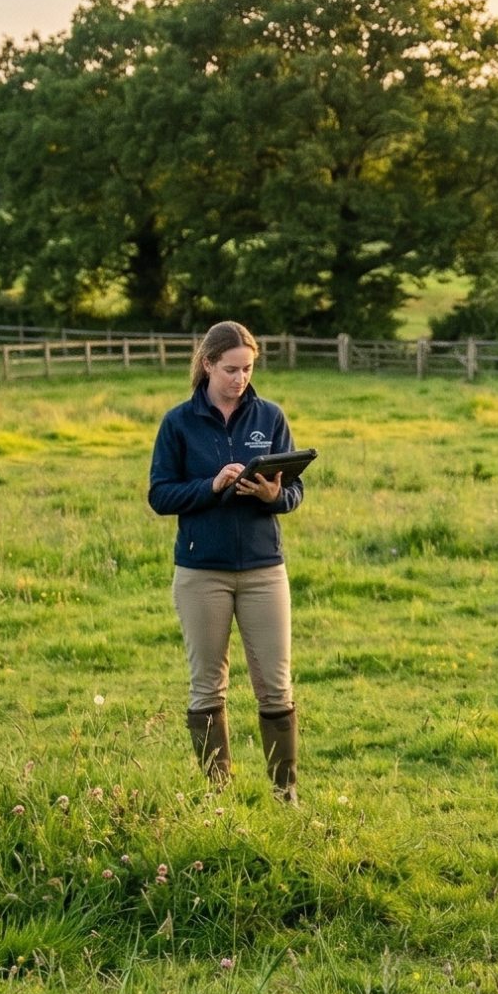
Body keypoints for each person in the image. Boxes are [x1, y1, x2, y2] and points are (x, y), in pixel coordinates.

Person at [148, 321, 304, 799]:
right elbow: (160, 495)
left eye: (248, 369)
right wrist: (211, 486)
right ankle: (218, 799)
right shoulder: (178, 423)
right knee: (207, 687)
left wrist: (274, 495)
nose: (240, 378)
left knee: (275, 686)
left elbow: (294, 491)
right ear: (208, 364)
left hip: (264, 570)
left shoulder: (270, 417)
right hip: (201, 573)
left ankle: (285, 795)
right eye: (231, 369)